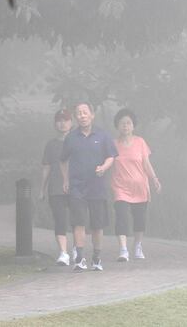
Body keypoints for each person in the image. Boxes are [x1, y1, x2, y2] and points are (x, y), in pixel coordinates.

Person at [60, 102, 117, 271]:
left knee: (97, 225)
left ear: (92, 115)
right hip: (77, 187)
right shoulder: (71, 138)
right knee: (78, 222)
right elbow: (62, 160)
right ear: (76, 117)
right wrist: (65, 180)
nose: (82, 116)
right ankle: (79, 258)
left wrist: (104, 167)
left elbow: (111, 157)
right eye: (79, 113)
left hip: (97, 186)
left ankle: (97, 258)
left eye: (85, 112)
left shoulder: (103, 135)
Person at [110, 108, 161, 262]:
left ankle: (137, 246)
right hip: (120, 187)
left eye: (128, 123)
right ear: (117, 126)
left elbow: (146, 163)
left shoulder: (140, 142)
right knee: (122, 217)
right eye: (122, 123)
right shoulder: (112, 144)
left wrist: (154, 179)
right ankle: (123, 249)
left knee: (140, 220)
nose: (125, 126)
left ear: (133, 126)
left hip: (140, 187)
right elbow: (107, 162)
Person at [39, 108, 74, 265]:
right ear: (55, 124)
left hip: (76, 187)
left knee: (77, 220)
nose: (62, 123)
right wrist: (42, 189)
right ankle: (63, 252)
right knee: (60, 220)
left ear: (71, 123)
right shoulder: (51, 145)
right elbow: (46, 167)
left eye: (65, 120)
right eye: (59, 120)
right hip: (55, 187)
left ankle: (77, 248)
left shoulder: (77, 141)